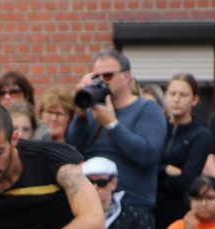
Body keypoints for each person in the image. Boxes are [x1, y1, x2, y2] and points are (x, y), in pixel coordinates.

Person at [66, 48, 167, 211]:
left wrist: (113, 124)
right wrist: (80, 115)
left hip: (133, 206)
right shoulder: (94, 111)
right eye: (96, 77)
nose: (102, 82)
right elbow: (74, 147)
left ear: (126, 77)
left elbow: (148, 155)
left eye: (107, 76)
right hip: (94, 204)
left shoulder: (147, 109)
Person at [155, 73, 213, 229]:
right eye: (172, 94)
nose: (176, 99)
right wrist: (165, 169)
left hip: (178, 211)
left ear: (194, 100)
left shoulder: (201, 134)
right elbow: (145, 165)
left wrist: (156, 174)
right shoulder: (157, 127)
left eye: (183, 95)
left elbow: (187, 180)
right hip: (151, 209)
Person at [0, 71, 50, 140]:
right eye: (1, 93)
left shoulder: (42, 132)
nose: (7, 97)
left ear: (27, 95)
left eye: (14, 92)